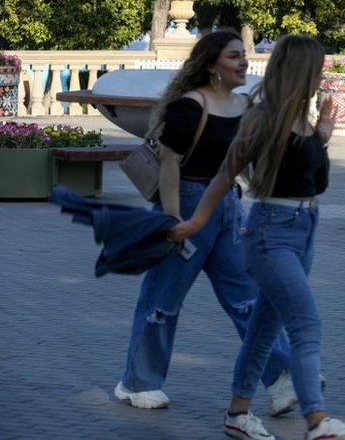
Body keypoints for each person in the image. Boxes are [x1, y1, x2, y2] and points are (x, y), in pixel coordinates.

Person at [170, 35, 345, 440]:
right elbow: (225, 174)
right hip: (270, 233)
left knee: (262, 330)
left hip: (304, 228)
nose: (320, 78)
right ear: (300, 72)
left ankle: (237, 414)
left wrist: (322, 138)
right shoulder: (261, 118)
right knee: (306, 326)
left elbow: (317, 184)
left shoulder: (303, 121)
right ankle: (317, 421)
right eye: (317, 70)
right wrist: (194, 222)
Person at [116, 31, 310, 418]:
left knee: (247, 299)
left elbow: (253, 162)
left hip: (228, 209)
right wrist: (173, 219)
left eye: (244, 55)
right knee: (162, 301)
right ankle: (139, 383)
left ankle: (281, 378)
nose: (243, 63)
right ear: (211, 65)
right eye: (234, 56)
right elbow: (170, 164)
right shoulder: (189, 107)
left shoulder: (245, 106)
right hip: (185, 206)